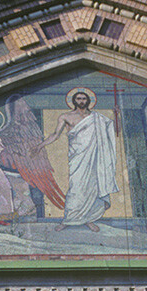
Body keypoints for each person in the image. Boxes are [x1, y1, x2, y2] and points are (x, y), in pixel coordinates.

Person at [37, 88, 118, 231]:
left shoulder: (98, 118)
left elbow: (115, 132)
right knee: (76, 188)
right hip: (78, 157)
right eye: (79, 99)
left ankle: (89, 219)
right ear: (74, 101)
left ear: (89, 101)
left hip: (94, 158)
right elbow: (55, 135)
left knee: (93, 187)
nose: (81, 101)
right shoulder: (66, 116)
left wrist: (117, 115)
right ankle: (68, 219)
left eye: (84, 98)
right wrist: (40, 146)